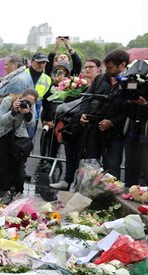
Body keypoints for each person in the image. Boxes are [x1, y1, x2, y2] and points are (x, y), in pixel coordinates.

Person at [77, 49, 131, 180]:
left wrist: (112, 122)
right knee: (90, 166)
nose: (107, 70)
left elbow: (131, 111)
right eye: (106, 67)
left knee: (111, 169)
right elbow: (86, 98)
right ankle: (86, 196)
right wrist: (83, 114)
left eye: (111, 67)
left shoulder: (130, 82)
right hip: (95, 130)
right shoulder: (100, 79)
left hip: (115, 134)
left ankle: (109, 198)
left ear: (122, 65)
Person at [49, 59, 102, 190]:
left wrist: (64, 106)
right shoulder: (80, 85)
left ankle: (81, 185)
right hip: (73, 125)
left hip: (89, 126)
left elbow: (84, 102)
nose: (87, 70)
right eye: (85, 67)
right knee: (70, 153)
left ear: (99, 69)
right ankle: (67, 180)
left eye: (91, 67)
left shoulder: (100, 85)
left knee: (87, 159)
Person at [0, 88, 39, 202]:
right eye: (25, 100)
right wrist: (14, 111)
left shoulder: (30, 105)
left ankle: (19, 192)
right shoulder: (8, 100)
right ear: (21, 96)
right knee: (3, 165)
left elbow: (31, 124)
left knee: (18, 163)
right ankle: (4, 193)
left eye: (31, 102)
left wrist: (27, 113)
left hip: (16, 134)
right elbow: (2, 121)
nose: (27, 103)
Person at [25, 52, 53, 140]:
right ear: (31, 61)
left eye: (43, 63)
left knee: (27, 142)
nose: (41, 65)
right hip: (19, 112)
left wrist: (48, 119)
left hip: (34, 114)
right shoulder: (22, 73)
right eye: (39, 62)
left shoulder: (47, 79)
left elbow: (48, 100)